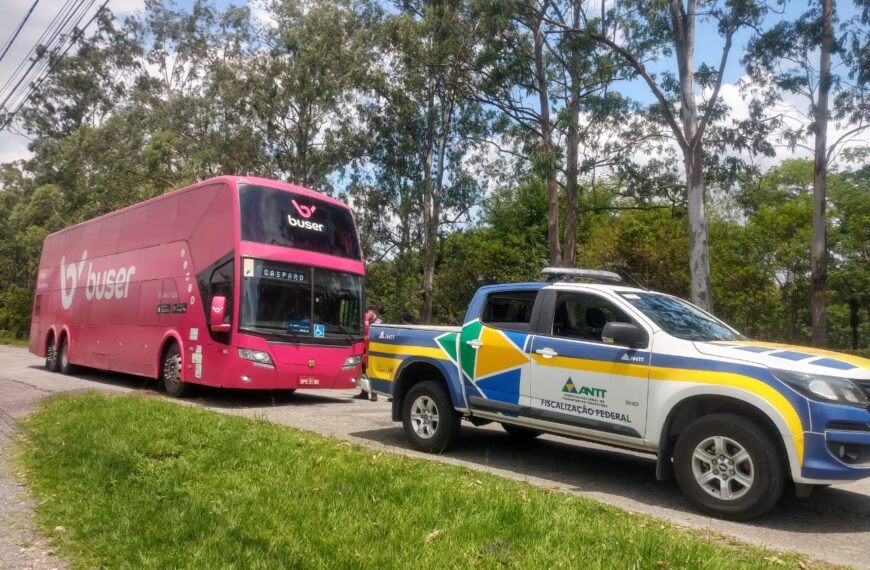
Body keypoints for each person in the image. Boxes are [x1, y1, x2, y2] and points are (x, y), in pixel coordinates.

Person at [355, 306, 382, 400]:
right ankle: (364, 393)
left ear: (373, 311)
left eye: (368, 311)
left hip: (373, 352)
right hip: (365, 351)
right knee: (364, 371)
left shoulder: (378, 323)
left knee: (372, 372)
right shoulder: (366, 321)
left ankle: (374, 394)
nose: (367, 313)